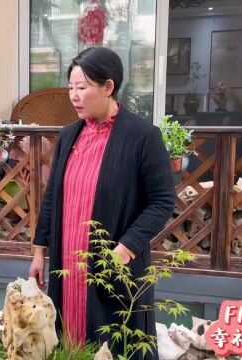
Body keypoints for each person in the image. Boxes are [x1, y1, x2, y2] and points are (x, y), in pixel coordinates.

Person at [28, 47, 176, 359]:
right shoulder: (69, 135)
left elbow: (162, 201)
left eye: (82, 88)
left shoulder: (142, 136)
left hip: (114, 264)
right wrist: (39, 251)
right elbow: (52, 196)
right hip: (67, 263)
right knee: (68, 338)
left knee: (115, 343)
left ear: (108, 87)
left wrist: (125, 248)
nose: (73, 96)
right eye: (71, 87)